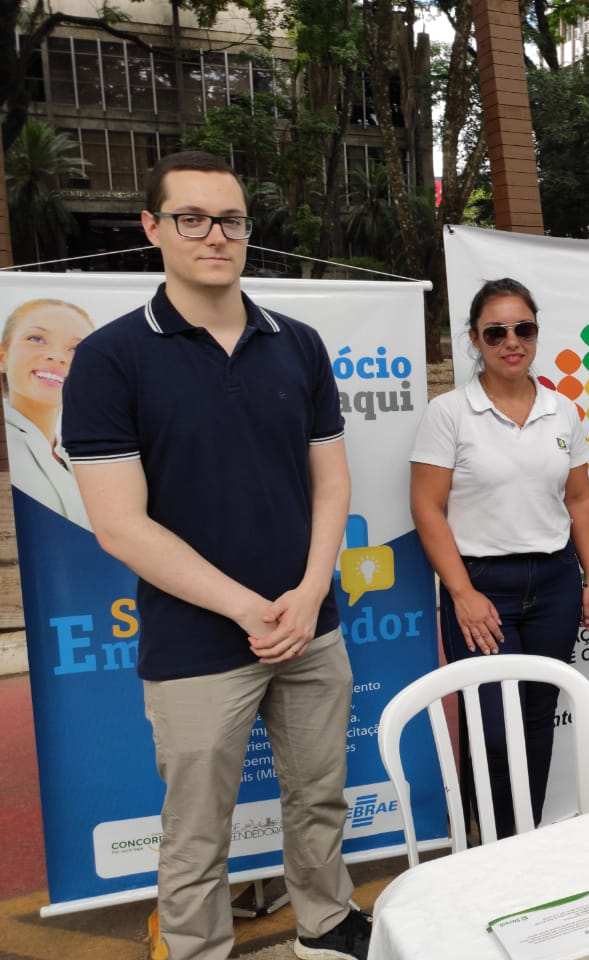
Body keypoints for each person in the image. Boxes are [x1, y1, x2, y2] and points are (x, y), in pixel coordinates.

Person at [61, 151, 370, 960]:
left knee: (321, 801)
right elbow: (119, 524)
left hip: (311, 627)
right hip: (198, 645)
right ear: (152, 229)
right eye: (191, 218)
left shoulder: (297, 344)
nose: (214, 235)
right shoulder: (109, 359)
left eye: (230, 219)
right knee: (196, 835)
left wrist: (307, 595)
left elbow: (331, 484)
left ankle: (327, 926)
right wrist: (244, 606)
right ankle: (199, 949)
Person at [410, 278, 589, 838]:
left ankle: (525, 837)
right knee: (492, 725)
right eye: (496, 332)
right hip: (481, 585)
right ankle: (489, 840)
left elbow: (578, 498)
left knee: (538, 717)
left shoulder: (562, 410)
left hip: (554, 583)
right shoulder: (450, 414)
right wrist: (463, 594)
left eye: (524, 328)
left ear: (536, 333)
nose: (511, 341)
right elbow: (427, 509)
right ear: (474, 339)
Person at [1, 298, 93, 527]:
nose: (57, 356)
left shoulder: (80, 455)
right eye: (36, 339)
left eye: (76, 348)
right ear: (3, 357)